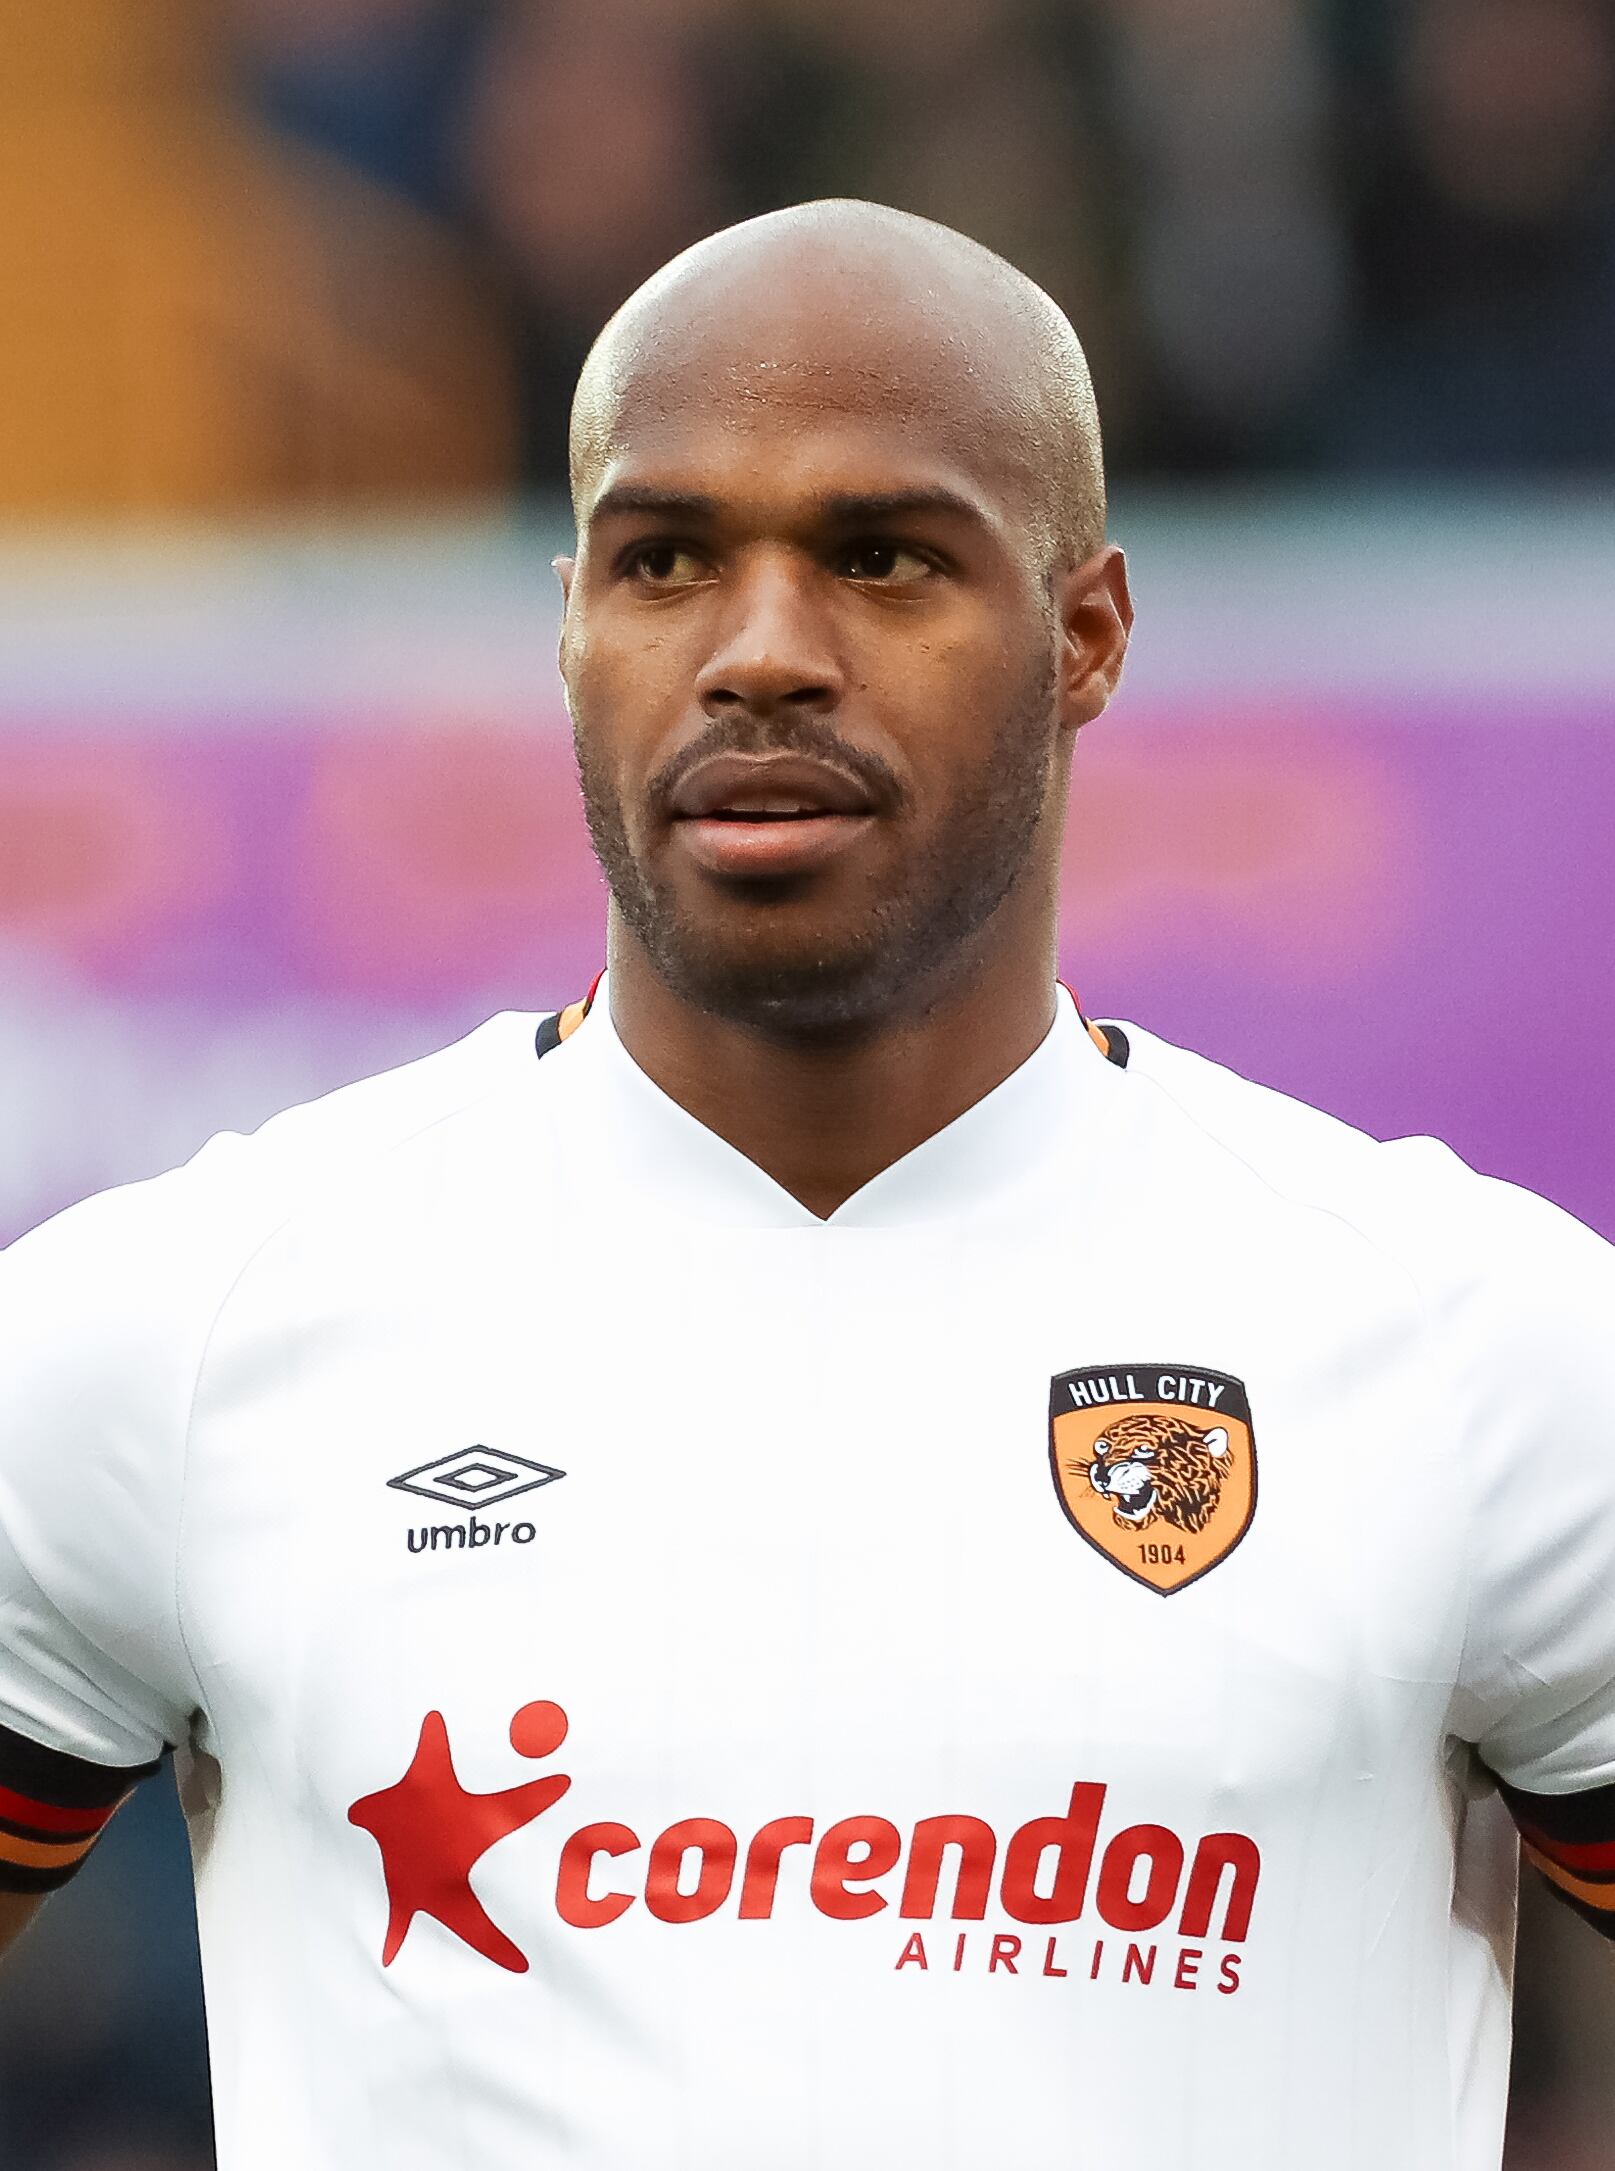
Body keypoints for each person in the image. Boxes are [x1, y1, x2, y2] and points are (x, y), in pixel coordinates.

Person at [0, 200, 1612, 2171]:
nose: (762, 653)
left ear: (1084, 633)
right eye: (665, 559)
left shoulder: (1483, 1354)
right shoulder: (173, 1332)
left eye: (879, 557)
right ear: (573, 629)